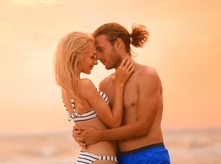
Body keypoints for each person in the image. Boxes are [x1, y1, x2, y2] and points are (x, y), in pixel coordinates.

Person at [73, 23, 171, 163]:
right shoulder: (105, 85)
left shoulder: (147, 76)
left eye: (101, 49)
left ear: (118, 43)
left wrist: (99, 135)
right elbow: (104, 123)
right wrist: (80, 133)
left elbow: (143, 127)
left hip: (148, 156)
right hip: (118, 158)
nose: (98, 57)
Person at [54, 31, 134, 164]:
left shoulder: (66, 90)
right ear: (77, 56)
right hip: (100, 159)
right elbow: (114, 123)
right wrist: (119, 85)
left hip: (87, 157)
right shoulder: (85, 85)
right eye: (92, 57)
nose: (96, 62)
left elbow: (83, 127)